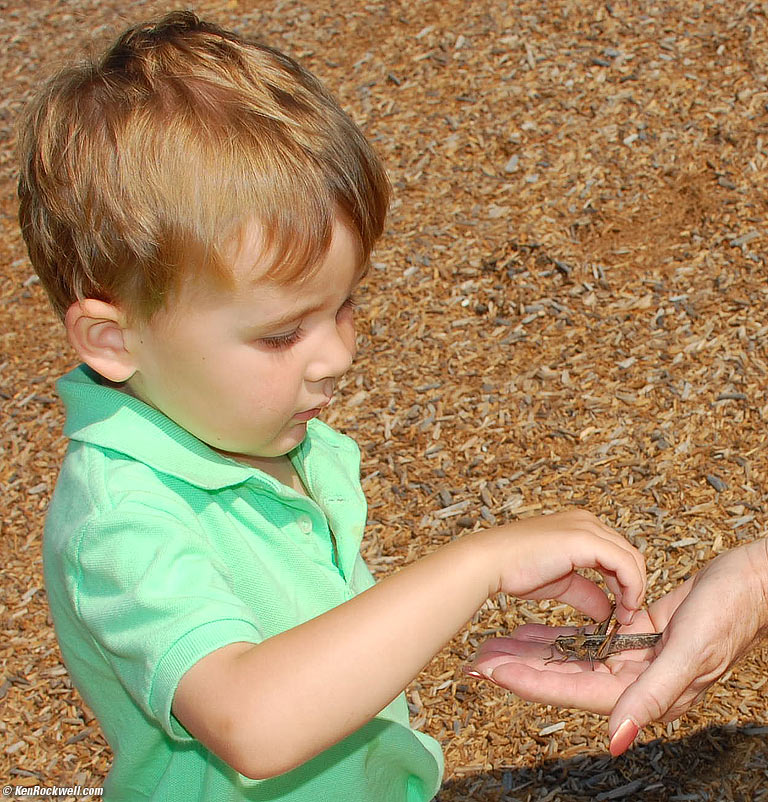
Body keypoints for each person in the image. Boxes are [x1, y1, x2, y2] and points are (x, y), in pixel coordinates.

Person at [17, 12, 647, 801]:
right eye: (282, 335)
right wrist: (477, 562)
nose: (338, 355)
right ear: (115, 341)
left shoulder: (249, 433)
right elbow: (254, 721)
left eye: (344, 306)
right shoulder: (123, 521)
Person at [466, 536, 768, 756]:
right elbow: (568, 650)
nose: (563, 646)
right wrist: (755, 581)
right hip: (600, 645)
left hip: (609, 645)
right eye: (564, 645)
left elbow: (593, 655)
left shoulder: (586, 648)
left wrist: (757, 583)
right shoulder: (569, 647)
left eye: (565, 644)